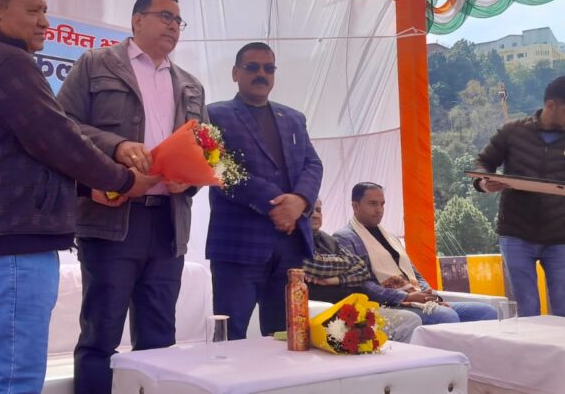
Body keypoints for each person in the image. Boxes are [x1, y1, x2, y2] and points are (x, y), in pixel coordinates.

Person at [0, 0, 156, 394]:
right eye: (33, 11)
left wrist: (87, 189)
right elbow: (57, 138)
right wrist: (121, 179)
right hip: (10, 244)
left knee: (5, 372)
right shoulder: (7, 61)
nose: (45, 21)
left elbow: (28, 153)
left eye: (45, 11)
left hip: (2, 241)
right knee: (13, 378)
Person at [57, 0, 207, 394]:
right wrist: (117, 146)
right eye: (165, 16)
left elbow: (209, 151)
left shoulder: (191, 86)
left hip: (168, 222)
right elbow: (63, 125)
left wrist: (189, 178)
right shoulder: (96, 64)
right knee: (101, 334)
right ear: (137, 20)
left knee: (160, 338)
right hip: (113, 219)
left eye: (178, 20)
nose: (173, 26)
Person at [206, 42, 323, 340]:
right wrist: (276, 204)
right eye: (252, 67)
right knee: (230, 337)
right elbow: (219, 168)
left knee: (286, 336)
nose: (262, 74)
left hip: (290, 245)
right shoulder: (213, 115)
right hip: (238, 244)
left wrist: (300, 201)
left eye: (268, 68)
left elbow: (313, 164)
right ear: (235, 73)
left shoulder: (293, 118)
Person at [333, 182, 497, 325]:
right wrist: (405, 297)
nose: (379, 210)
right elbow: (362, 284)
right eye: (373, 204)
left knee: (487, 312)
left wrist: (428, 295)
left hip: (416, 299)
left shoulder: (391, 237)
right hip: (388, 304)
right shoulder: (345, 238)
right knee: (446, 316)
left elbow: (414, 274)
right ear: (355, 206)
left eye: (382, 204)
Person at [473, 76, 565, 317]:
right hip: (516, 234)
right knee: (528, 309)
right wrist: (484, 183)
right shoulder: (512, 131)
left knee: (563, 309)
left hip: (560, 237)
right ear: (551, 105)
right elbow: (483, 162)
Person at [304, 198, 421, 342]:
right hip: (324, 314)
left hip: (354, 307)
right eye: (309, 211)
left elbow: (362, 270)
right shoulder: (294, 241)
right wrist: (349, 264)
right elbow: (317, 265)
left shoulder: (328, 239)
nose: (315, 215)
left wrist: (334, 279)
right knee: (409, 321)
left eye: (318, 210)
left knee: (410, 319)